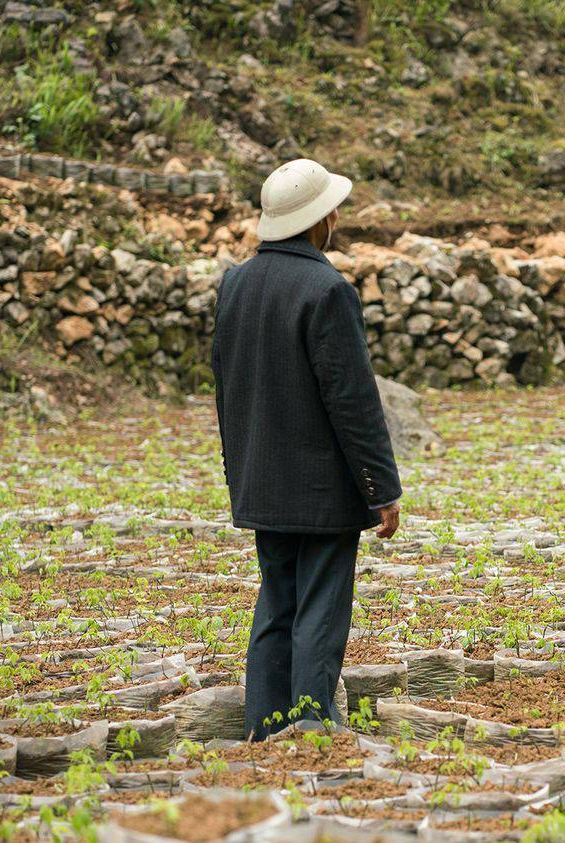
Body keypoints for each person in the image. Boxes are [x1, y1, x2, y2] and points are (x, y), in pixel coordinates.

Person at [211, 159, 402, 737]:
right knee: (320, 605)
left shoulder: (236, 284)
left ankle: (264, 725)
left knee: (277, 601)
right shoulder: (328, 290)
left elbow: (226, 384)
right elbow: (353, 400)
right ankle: (313, 724)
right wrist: (381, 487)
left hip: (262, 477)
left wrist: (236, 470)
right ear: (322, 220)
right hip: (321, 488)